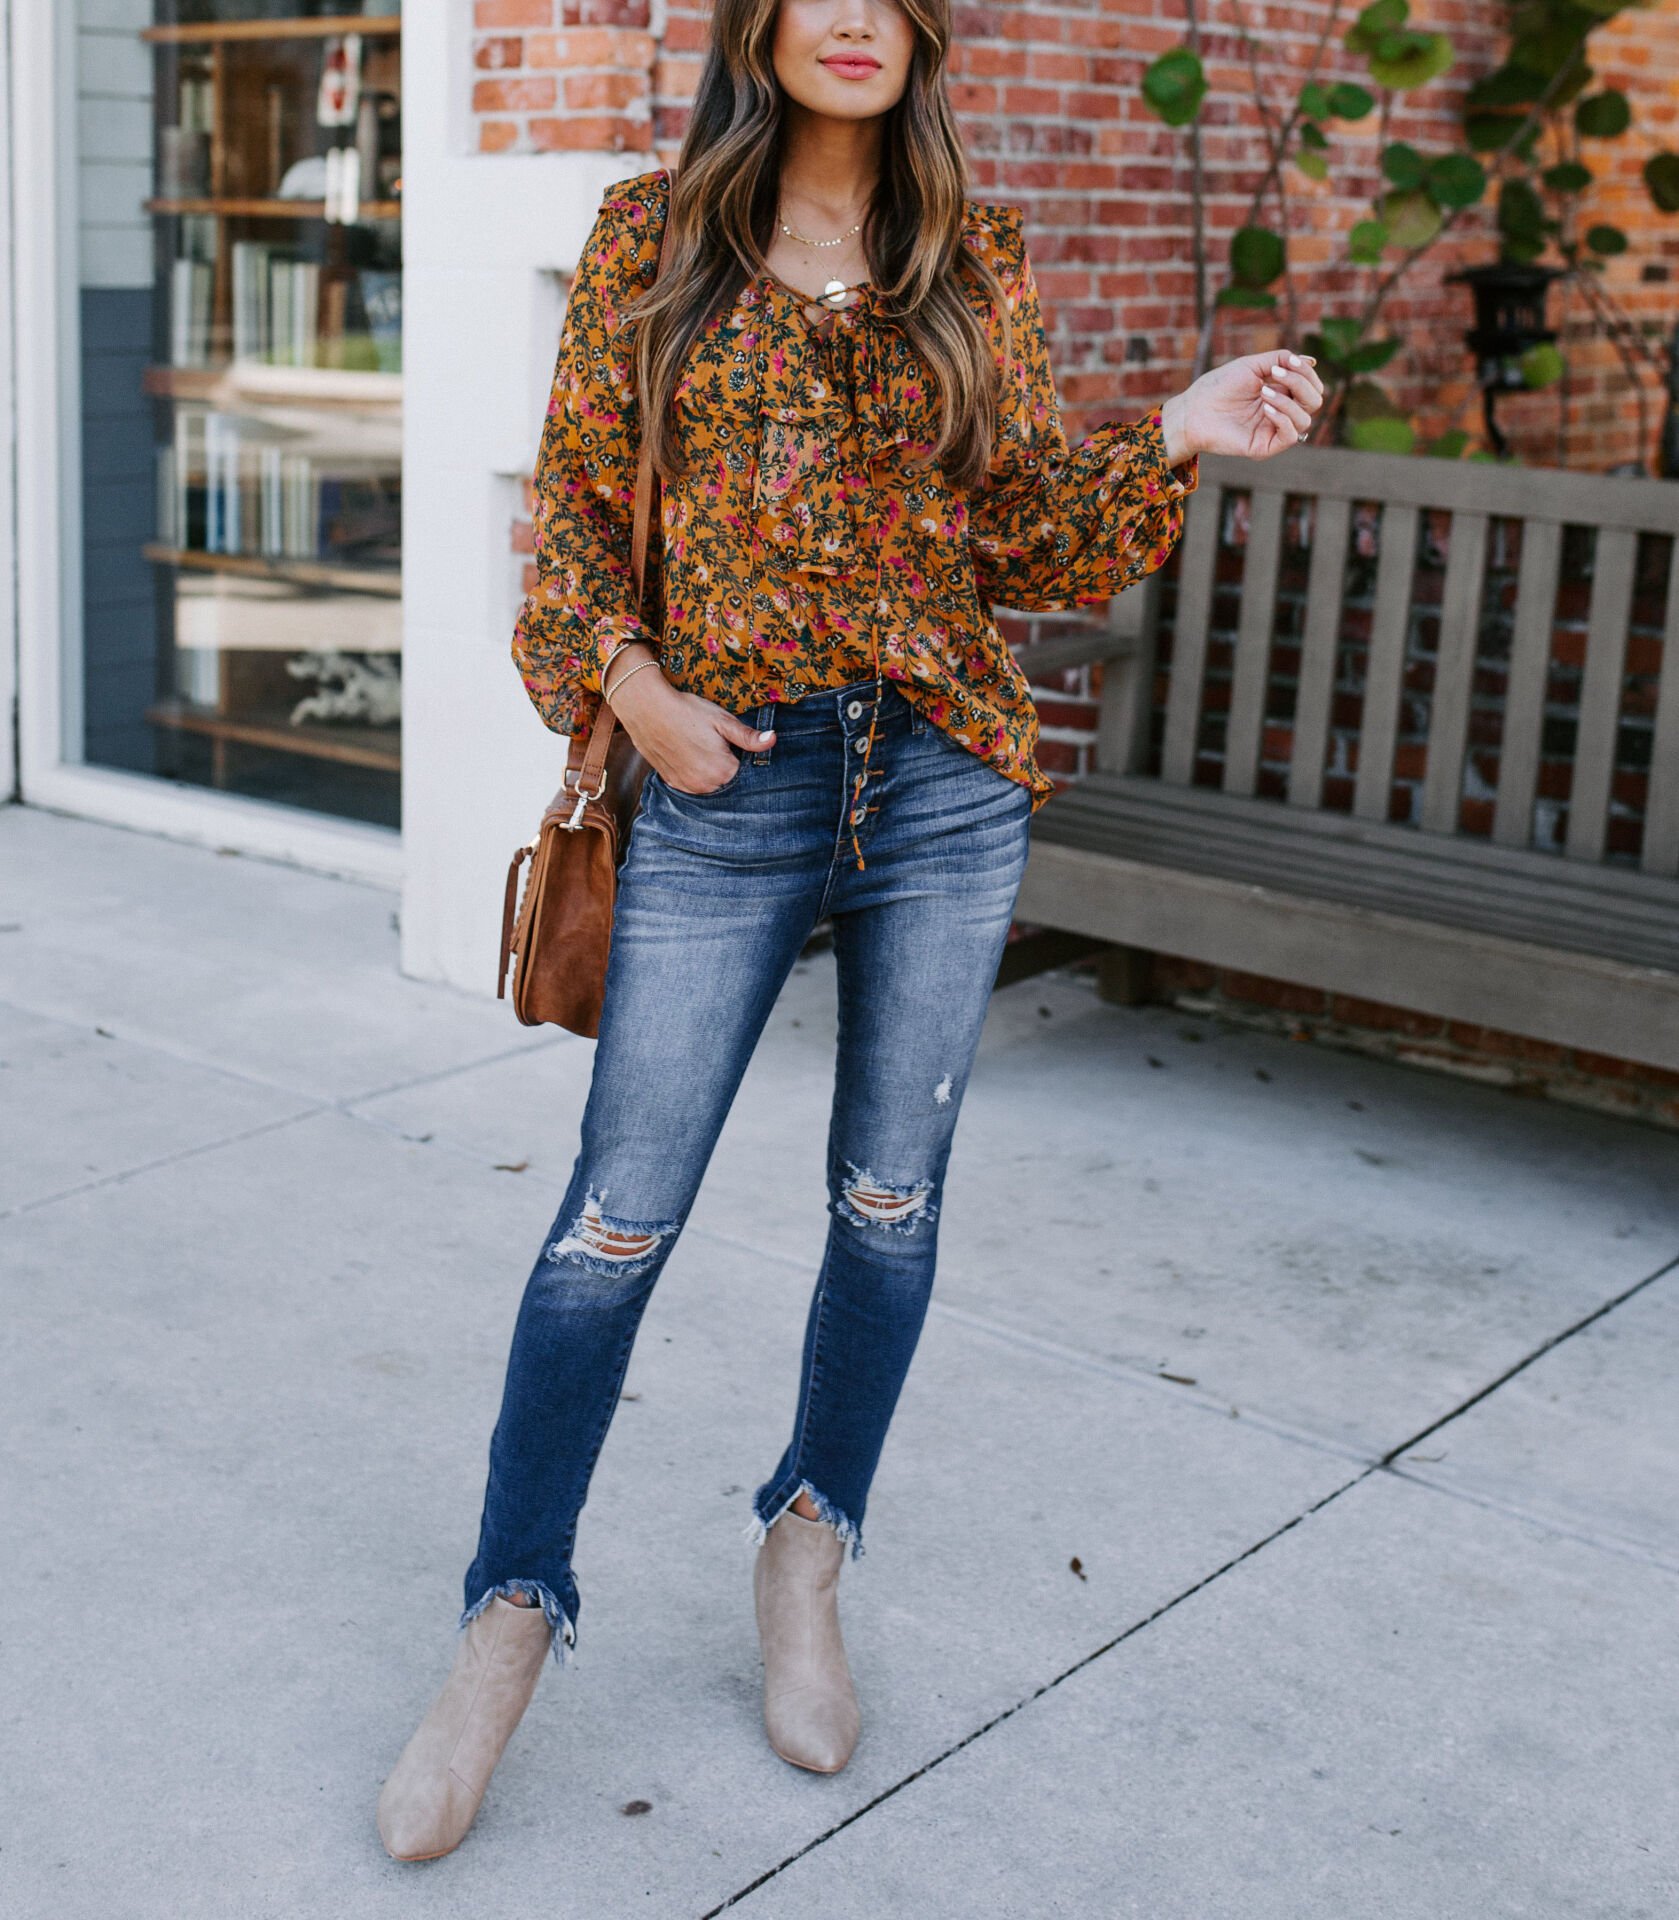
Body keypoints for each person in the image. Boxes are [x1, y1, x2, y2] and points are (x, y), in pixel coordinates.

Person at [376, 0, 1324, 1862]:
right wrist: (630, 693)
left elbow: (1026, 546)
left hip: (949, 777)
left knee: (889, 1204)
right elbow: (570, 526)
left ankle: (807, 1550)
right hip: (728, 783)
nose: (852, 20)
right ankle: (508, 1617)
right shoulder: (660, 233)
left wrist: (1179, 431)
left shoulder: (969, 248)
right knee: (614, 1217)